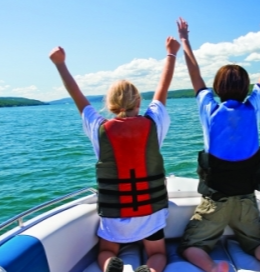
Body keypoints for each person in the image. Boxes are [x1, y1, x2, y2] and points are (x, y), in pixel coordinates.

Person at [49, 36, 180, 272]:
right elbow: (163, 87)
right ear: (139, 101)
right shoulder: (154, 124)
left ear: (108, 104)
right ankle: (149, 270)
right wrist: (171, 53)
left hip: (115, 213)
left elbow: (76, 94)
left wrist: (60, 64)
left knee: (107, 250)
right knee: (158, 253)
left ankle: (111, 265)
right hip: (150, 211)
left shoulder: (98, 128)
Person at [176, 14, 260, 272]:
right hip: (246, 200)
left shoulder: (209, 109)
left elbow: (194, 73)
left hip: (216, 201)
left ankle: (212, 266)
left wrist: (185, 40)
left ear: (216, 88)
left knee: (190, 246)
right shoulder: (254, 108)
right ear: (246, 88)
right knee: (258, 242)